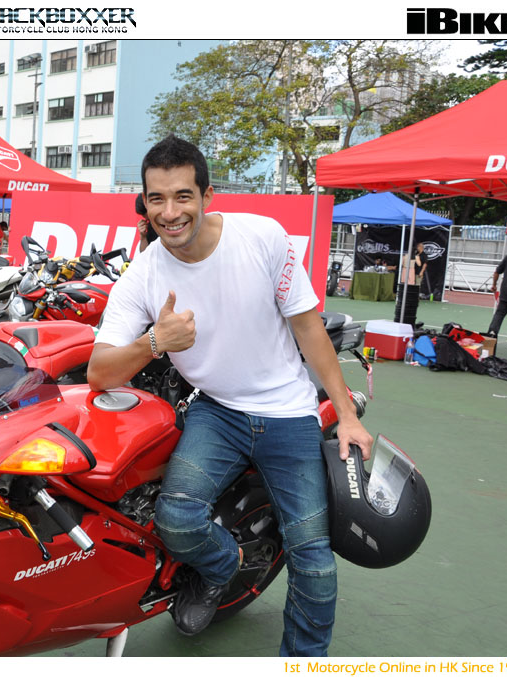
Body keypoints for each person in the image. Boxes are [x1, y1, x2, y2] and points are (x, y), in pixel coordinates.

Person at [87, 135, 372, 657]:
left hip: (288, 411)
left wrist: (348, 415)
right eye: (157, 199)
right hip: (216, 411)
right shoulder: (144, 273)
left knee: (313, 558)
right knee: (175, 520)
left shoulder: (262, 237)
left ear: (207, 195)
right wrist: (155, 342)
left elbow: (308, 329)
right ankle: (224, 568)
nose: (170, 212)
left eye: (183, 196)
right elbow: (99, 371)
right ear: (144, 203)